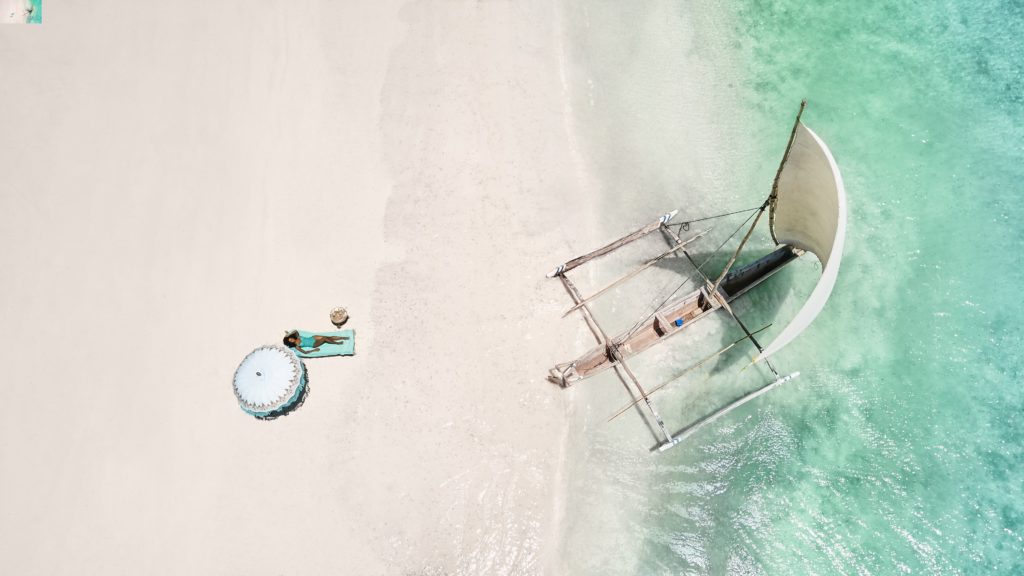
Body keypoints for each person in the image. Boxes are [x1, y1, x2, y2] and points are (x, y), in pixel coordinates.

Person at [283, 330, 349, 354]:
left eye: (291, 338)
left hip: (313, 337)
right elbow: (305, 352)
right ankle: (337, 343)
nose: (291, 340)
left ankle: (343, 337)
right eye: (290, 341)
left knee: (329, 337)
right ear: (290, 343)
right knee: (324, 338)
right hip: (313, 344)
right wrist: (314, 350)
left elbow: (295, 331)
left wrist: (288, 334)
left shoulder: (298, 337)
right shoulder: (297, 346)